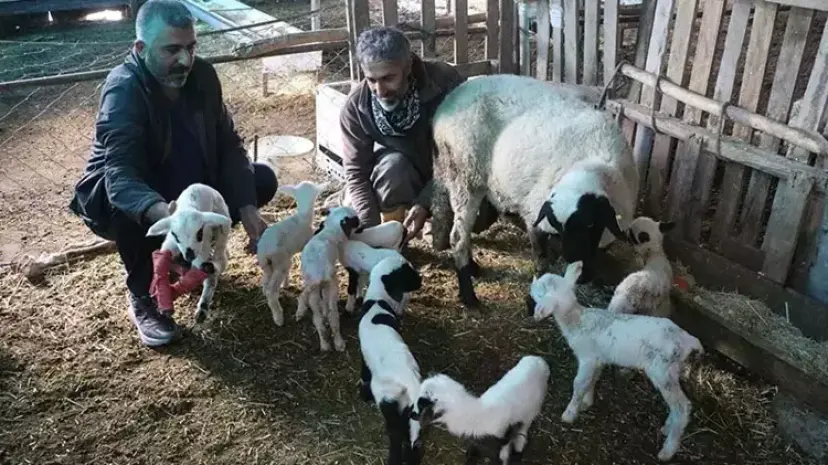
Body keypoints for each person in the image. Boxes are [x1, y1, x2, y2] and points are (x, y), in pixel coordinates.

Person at [68, 0, 278, 348]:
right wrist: (170, 215)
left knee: (259, 181)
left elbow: (230, 145)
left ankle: (192, 255)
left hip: (190, 188)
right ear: (140, 48)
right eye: (172, 50)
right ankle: (142, 294)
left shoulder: (204, 77)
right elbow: (120, 176)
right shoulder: (124, 89)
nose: (185, 59)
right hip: (140, 196)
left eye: (191, 47)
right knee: (122, 202)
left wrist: (247, 208)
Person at [336, 25, 498, 240]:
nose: (379, 90)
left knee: (477, 216)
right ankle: (395, 236)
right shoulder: (357, 107)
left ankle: (432, 223)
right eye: (371, 80)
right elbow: (356, 173)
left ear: (408, 66)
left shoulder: (443, 81)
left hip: (453, 168)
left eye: (388, 78)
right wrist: (370, 233)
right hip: (406, 174)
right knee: (391, 169)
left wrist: (425, 202)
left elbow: (465, 155)